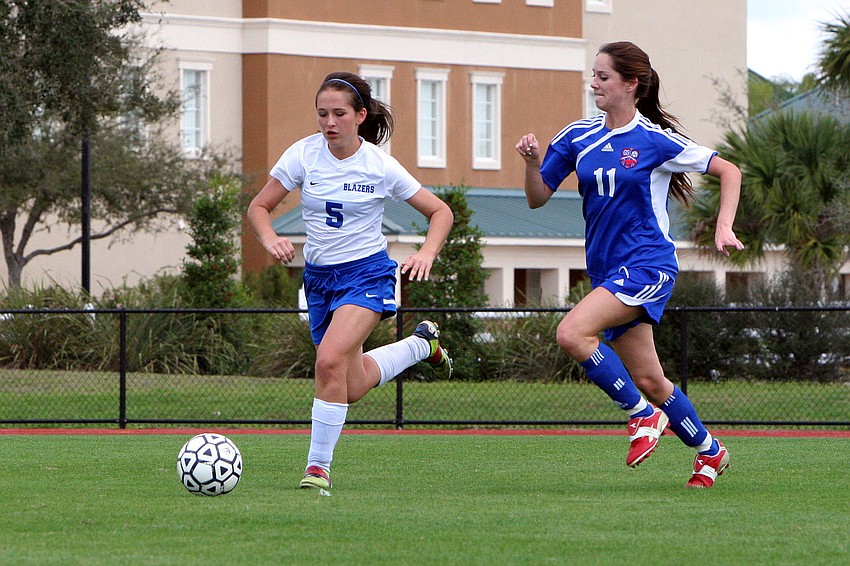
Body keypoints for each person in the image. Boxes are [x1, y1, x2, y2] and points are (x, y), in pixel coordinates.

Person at [516, 41, 744, 488]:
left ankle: (642, 418)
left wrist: (723, 226)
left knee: (571, 332)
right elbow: (536, 198)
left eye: (603, 76)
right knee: (651, 379)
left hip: (648, 264)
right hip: (607, 271)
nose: (594, 83)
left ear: (631, 84)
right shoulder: (576, 136)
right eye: (594, 75)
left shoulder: (654, 140)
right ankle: (711, 452)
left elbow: (729, 170)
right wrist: (532, 162)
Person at [248, 71, 454, 491]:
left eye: (339, 113)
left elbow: (440, 212)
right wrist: (270, 239)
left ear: (360, 115)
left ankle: (317, 469)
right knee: (351, 383)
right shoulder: (303, 155)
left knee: (327, 363)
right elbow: (259, 206)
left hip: (367, 274)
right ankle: (420, 346)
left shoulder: (379, 164)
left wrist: (426, 253)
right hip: (320, 280)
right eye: (322, 113)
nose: (329, 122)